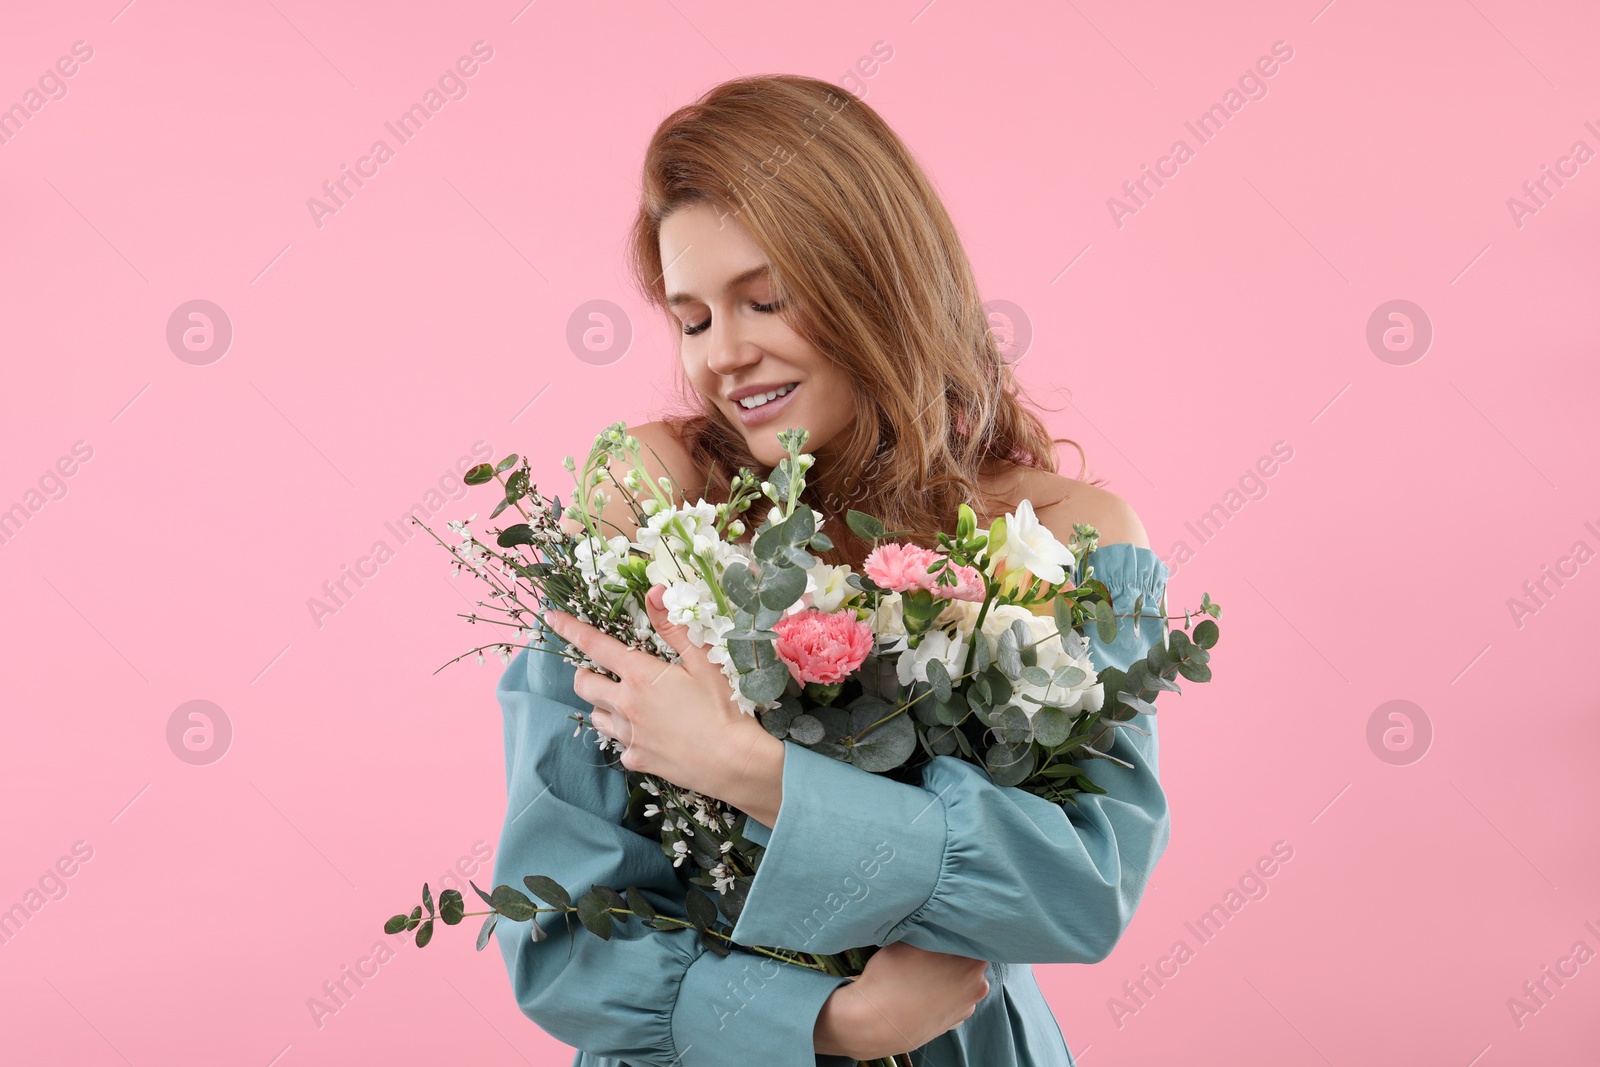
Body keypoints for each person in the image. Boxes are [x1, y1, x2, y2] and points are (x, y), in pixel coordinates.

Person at [490, 74, 1172, 1066]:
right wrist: (824, 1024)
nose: (724, 352)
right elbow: (559, 932)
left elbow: (1084, 886)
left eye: (763, 299)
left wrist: (753, 772)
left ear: (874, 275)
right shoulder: (647, 509)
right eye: (692, 319)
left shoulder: (1066, 537)